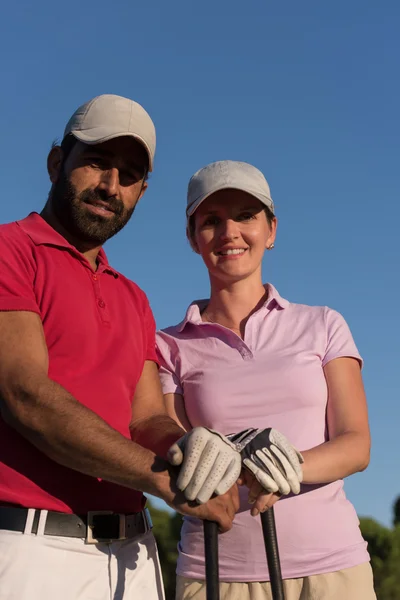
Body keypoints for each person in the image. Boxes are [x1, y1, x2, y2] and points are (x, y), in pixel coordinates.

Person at [0, 97, 242, 600]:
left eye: (129, 175)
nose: (111, 186)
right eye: (96, 162)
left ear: (142, 192)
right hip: (30, 549)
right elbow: (24, 392)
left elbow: (146, 418)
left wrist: (193, 453)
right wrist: (168, 482)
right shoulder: (10, 250)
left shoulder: (133, 296)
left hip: (133, 557)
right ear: (55, 163)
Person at [156, 160, 376, 600]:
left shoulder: (324, 324)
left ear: (271, 231)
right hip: (214, 573)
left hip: (332, 570)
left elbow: (356, 444)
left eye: (246, 216)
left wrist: (286, 466)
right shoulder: (166, 345)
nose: (229, 232)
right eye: (211, 221)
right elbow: (170, 456)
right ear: (192, 237)